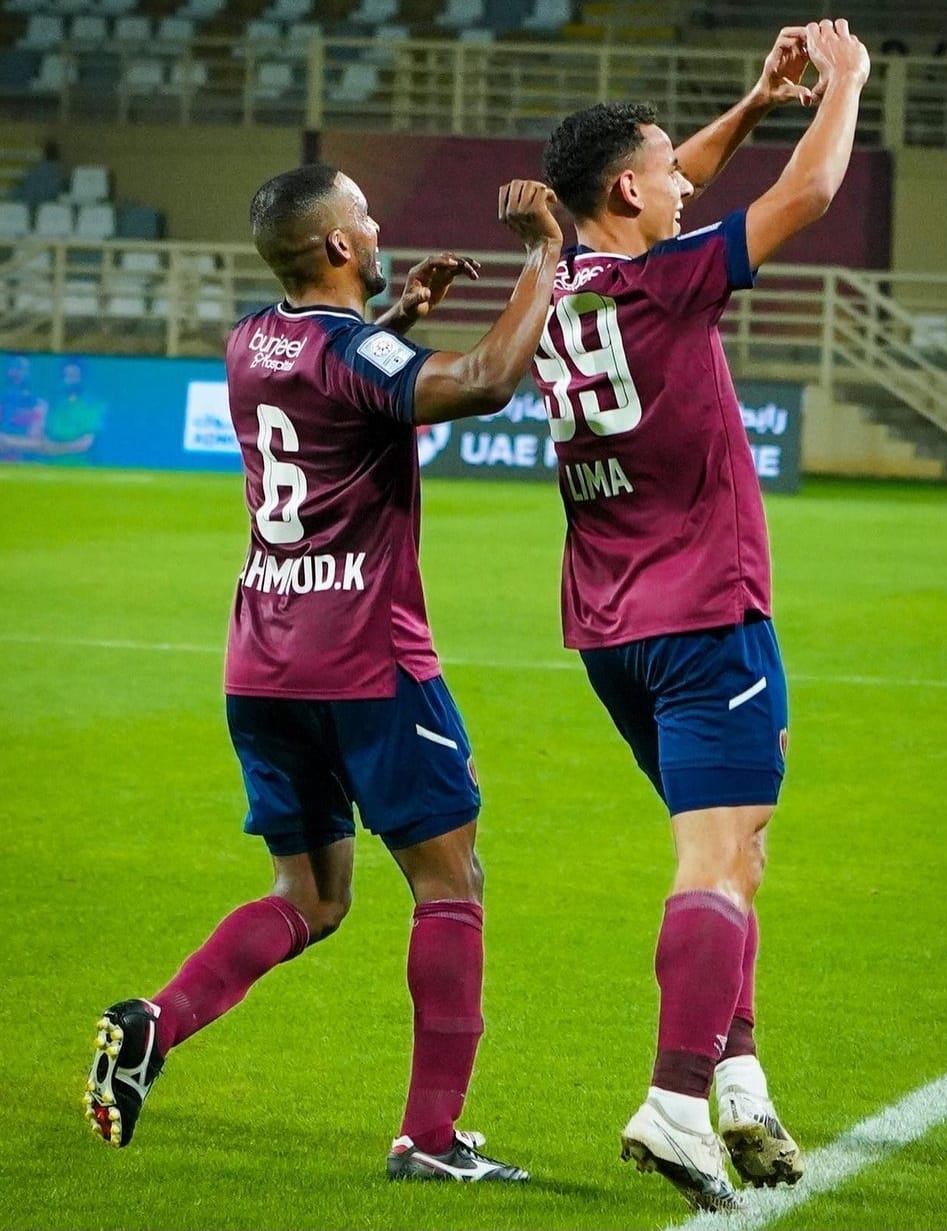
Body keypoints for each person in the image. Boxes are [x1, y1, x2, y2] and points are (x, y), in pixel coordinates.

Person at [83, 163, 562, 1183]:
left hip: (261, 662)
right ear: (340, 246)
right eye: (365, 214)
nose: (379, 220)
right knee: (450, 883)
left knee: (311, 895)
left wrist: (395, 312)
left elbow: (333, 360)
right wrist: (544, 255)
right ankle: (429, 1141)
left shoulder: (249, 342)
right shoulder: (354, 354)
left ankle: (153, 1024)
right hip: (369, 660)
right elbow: (481, 381)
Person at [532, 19, 870, 1213]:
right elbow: (814, 190)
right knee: (718, 859)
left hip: (610, 627)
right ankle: (677, 1099)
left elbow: (670, 188)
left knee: (739, 849)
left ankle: (738, 1076)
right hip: (707, 611)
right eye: (667, 166)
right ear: (627, 189)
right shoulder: (669, 281)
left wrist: (753, 101)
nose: (686, 178)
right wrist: (844, 81)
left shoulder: (559, 278)